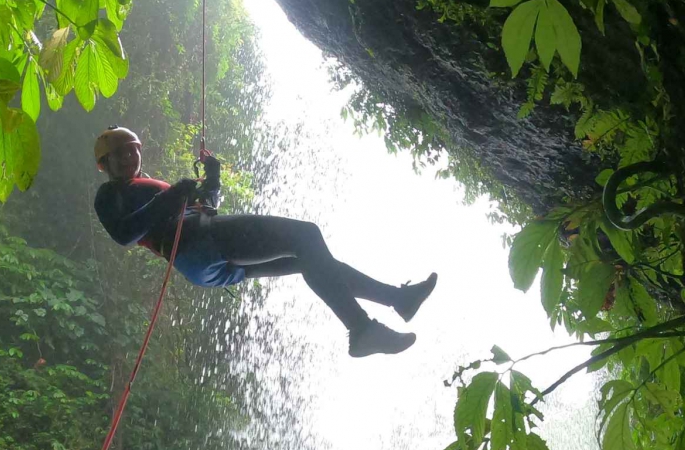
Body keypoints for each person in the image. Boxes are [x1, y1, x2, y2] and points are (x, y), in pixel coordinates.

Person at [92, 126, 437, 357]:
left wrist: (212, 179)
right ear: (104, 164)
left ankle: (397, 299)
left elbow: (206, 207)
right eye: (119, 154)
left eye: (131, 150)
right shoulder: (110, 194)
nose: (128, 157)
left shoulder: (149, 186)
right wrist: (174, 197)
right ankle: (362, 328)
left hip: (204, 260)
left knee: (310, 259)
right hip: (199, 243)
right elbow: (125, 234)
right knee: (306, 235)